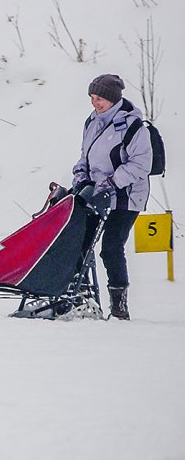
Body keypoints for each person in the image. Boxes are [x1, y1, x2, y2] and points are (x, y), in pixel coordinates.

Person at [71, 74, 152, 320]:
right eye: (92, 98)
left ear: (114, 99)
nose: (95, 103)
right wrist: (81, 176)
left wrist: (112, 182)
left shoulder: (133, 125)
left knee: (111, 247)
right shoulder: (92, 121)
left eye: (101, 99)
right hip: (97, 192)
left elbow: (141, 164)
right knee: (78, 241)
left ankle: (119, 307)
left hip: (126, 195)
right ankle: (80, 297)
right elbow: (85, 155)